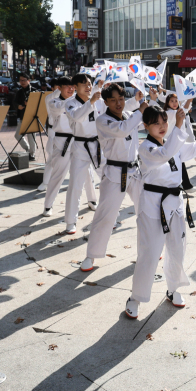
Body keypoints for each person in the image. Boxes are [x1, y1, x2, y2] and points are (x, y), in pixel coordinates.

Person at [125, 105, 196, 319]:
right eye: (156, 123)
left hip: (174, 203)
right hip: (152, 205)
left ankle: (173, 288)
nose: (162, 126)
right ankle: (136, 298)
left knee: (177, 248)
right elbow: (163, 155)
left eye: (164, 122)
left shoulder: (173, 144)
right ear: (146, 126)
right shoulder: (146, 149)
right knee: (149, 253)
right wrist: (178, 126)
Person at [79, 83, 147, 272]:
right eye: (113, 100)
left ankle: (148, 249)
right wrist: (140, 111)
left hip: (135, 172)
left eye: (121, 99)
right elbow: (122, 130)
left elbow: (143, 122)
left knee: (146, 212)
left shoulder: (128, 115)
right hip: (115, 173)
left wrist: (149, 107)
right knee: (105, 216)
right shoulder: (103, 121)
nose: (119, 103)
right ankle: (92, 254)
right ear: (106, 102)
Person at [42, 77, 99, 218]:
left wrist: (85, 96)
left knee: (87, 174)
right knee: (58, 175)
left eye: (72, 87)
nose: (70, 89)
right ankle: (48, 205)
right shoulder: (54, 102)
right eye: (67, 87)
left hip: (80, 140)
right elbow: (65, 106)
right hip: (63, 141)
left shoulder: (81, 100)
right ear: (59, 88)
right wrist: (83, 97)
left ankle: (92, 200)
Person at [63, 74, 107, 234]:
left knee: (108, 180)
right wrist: (91, 101)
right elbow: (77, 117)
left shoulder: (98, 101)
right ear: (75, 87)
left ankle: (109, 216)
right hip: (80, 146)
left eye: (89, 84)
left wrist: (135, 101)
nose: (88, 87)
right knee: (75, 184)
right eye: (84, 84)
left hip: (97, 145)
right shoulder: (70, 103)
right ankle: (70, 221)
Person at [37, 78, 60, 192]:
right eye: (59, 86)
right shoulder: (50, 98)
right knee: (51, 158)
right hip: (53, 132)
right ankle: (45, 182)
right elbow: (54, 95)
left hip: (69, 133)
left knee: (71, 159)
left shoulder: (72, 99)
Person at [13, 73, 38, 161]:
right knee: (17, 135)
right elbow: (15, 103)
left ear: (29, 81)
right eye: (20, 80)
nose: (22, 82)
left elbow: (39, 104)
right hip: (23, 116)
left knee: (31, 136)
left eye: (24, 80)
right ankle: (28, 149)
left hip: (32, 117)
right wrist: (18, 106)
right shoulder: (19, 92)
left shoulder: (34, 91)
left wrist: (30, 104)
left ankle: (32, 154)